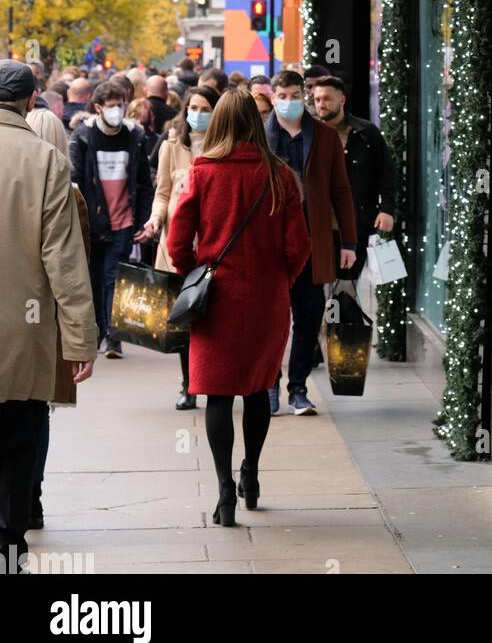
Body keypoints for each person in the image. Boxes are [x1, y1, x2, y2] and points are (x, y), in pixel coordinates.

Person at [167, 90, 311, 527]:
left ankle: (224, 489)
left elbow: (178, 239)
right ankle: (251, 473)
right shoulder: (280, 175)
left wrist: (194, 270)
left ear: (218, 123)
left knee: (217, 391)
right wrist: (279, 281)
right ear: (255, 121)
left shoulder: (203, 170)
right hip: (267, 296)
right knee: (258, 387)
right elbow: (298, 246)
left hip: (217, 296)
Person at [0, 60, 96, 570]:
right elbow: (63, 257)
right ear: (32, 99)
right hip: (25, 326)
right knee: (22, 430)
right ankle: (11, 542)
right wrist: (80, 339)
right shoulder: (45, 161)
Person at [265, 70, 357, 414]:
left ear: (303, 95)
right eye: (282, 96)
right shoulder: (259, 137)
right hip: (270, 246)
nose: (289, 102)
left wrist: (348, 242)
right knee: (273, 320)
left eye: (294, 95)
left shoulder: (324, 136)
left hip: (311, 242)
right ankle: (269, 385)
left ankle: (298, 389)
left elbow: (340, 190)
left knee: (307, 317)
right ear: (273, 97)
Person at [136, 86, 220, 410]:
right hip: (177, 244)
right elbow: (163, 192)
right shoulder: (172, 145)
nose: (197, 113)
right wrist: (155, 220)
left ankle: (210, 379)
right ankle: (189, 384)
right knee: (184, 316)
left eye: (204, 107)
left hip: (212, 244)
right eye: (192, 107)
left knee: (210, 319)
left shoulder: (222, 145)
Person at [69, 81, 154, 359]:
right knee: (94, 278)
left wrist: (143, 221)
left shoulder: (135, 136)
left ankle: (113, 337)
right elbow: (76, 181)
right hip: (93, 222)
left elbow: (143, 183)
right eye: (112, 105)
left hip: (123, 220)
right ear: (98, 108)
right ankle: (98, 331)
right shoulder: (83, 137)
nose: (118, 110)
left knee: (112, 278)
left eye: (121, 105)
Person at [312, 77, 396, 279]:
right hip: (318, 223)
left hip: (355, 220)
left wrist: (386, 209)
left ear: (342, 100)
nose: (321, 104)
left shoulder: (365, 132)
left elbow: (386, 171)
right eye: (317, 99)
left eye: (327, 99)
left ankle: (342, 310)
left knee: (347, 284)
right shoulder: (309, 133)